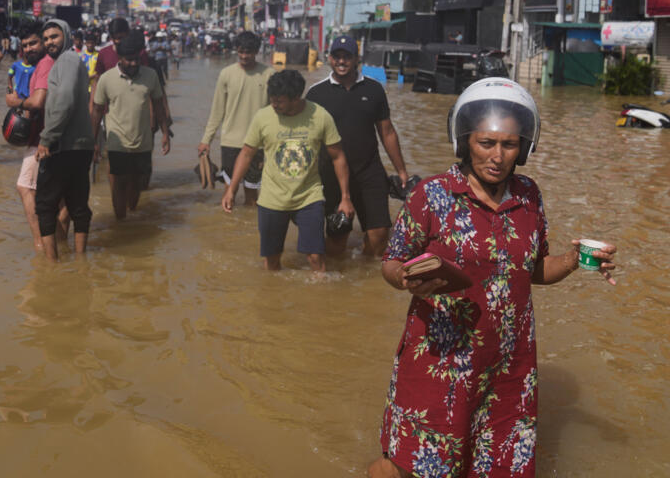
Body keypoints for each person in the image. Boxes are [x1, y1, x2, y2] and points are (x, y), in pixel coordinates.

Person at [367, 78, 618, 478]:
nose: (497, 156)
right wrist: (405, 278)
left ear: (524, 148)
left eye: (509, 145)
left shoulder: (529, 196)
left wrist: (575, 260)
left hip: (508, 367)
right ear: (465, 141)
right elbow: (392, 261)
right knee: (413, 467)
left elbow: (534, 270)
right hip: (440, 362)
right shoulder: (431, 195)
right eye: (486, 143)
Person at [221, 69, 353, 272]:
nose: (274, 104)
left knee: (316, 257)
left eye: (279, 101)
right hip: (272, 198)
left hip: (309, 197)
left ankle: (321, 291)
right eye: (272, 99)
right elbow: (246, 154)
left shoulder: (320, 116)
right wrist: (231, 189)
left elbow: (338, 157)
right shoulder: (263, 117)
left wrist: (345, 197)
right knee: (272, 260)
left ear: (296, 98)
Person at [306, 35, 411, 258]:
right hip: (331, 174)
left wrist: (401, 170)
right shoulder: (316, 94)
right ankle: (340, 276)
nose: (341, 61)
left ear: (356, 59)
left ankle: (364, 269)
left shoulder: (374, 90)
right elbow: (308, 138)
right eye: (337, 56)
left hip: (369, 171)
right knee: (337, 237)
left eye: (347, 56)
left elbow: (387, 132)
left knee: (379, 235)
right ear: (329, 58)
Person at [92, 30, 171, 220]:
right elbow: (96, 111)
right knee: (119, 183)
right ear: (120, 58)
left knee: (137, 184)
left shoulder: (150, 75)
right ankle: (121, 223)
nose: (134, 63)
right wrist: (93, 141)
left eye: (136, 59)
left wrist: (165, 133)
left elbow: (159, 105)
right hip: (116, 142)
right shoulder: (106, 79)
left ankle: (131, 214)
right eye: (129, 60)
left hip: (143, 142)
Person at [35, 19, 95, 262]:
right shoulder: (70, 60)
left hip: (64, 146)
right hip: (79, 146)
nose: (49, 42)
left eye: (54, 37)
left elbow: (66, 99)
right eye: (46, 39)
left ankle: (52, 264)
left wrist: (47, 138)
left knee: (44, 206)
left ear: (66, 36)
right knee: (77, 204)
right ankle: (81, 263)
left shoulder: (67, 60)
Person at [199, 31, 276, 206]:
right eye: (241, 51)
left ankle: (249, 222)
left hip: (258, 143)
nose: (244, 56)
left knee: (252, 193)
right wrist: (206, 140)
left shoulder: (269, 74)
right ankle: (227, 222)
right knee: (229, 190)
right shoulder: (226, 74)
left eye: (248, 52)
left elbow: (276, 110)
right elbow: (217, 110)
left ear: (256, 51)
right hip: (230, 142)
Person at [4, 23, 53, 251]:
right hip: (47, 134)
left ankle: (40, 243)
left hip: (43, 137)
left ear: (43, 42)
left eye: (33, 43)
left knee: (25, 187)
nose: (28, 49)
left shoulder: (44, 66)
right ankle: (57, 243)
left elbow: (38, 102)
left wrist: (16, 102)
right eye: (25, 45)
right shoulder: (42, 64)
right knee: (55, 196)